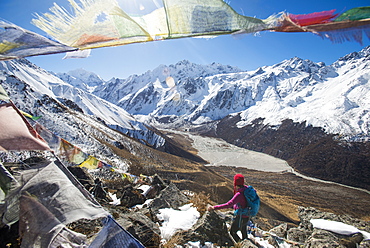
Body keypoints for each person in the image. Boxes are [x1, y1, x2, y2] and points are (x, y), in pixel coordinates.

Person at [208, 173, 250, 243]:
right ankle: (246, 244)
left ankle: (242, 245)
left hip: (240, 217)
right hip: (247, 215)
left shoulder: (239, 195)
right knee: (244, 232)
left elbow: (228, 204)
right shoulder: (246, 190)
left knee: (232, 232)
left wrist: (214, 207)